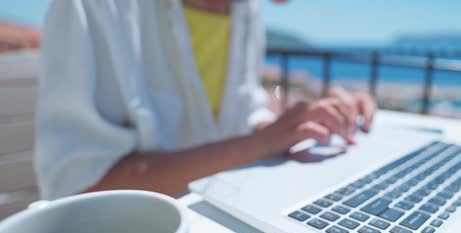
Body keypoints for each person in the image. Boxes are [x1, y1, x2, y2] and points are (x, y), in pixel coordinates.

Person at [35, 0, 376, 200]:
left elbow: (243, 115)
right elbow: (78, 191)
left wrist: (300, 125)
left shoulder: (246, 9)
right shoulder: (95, 7)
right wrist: (258, 143)